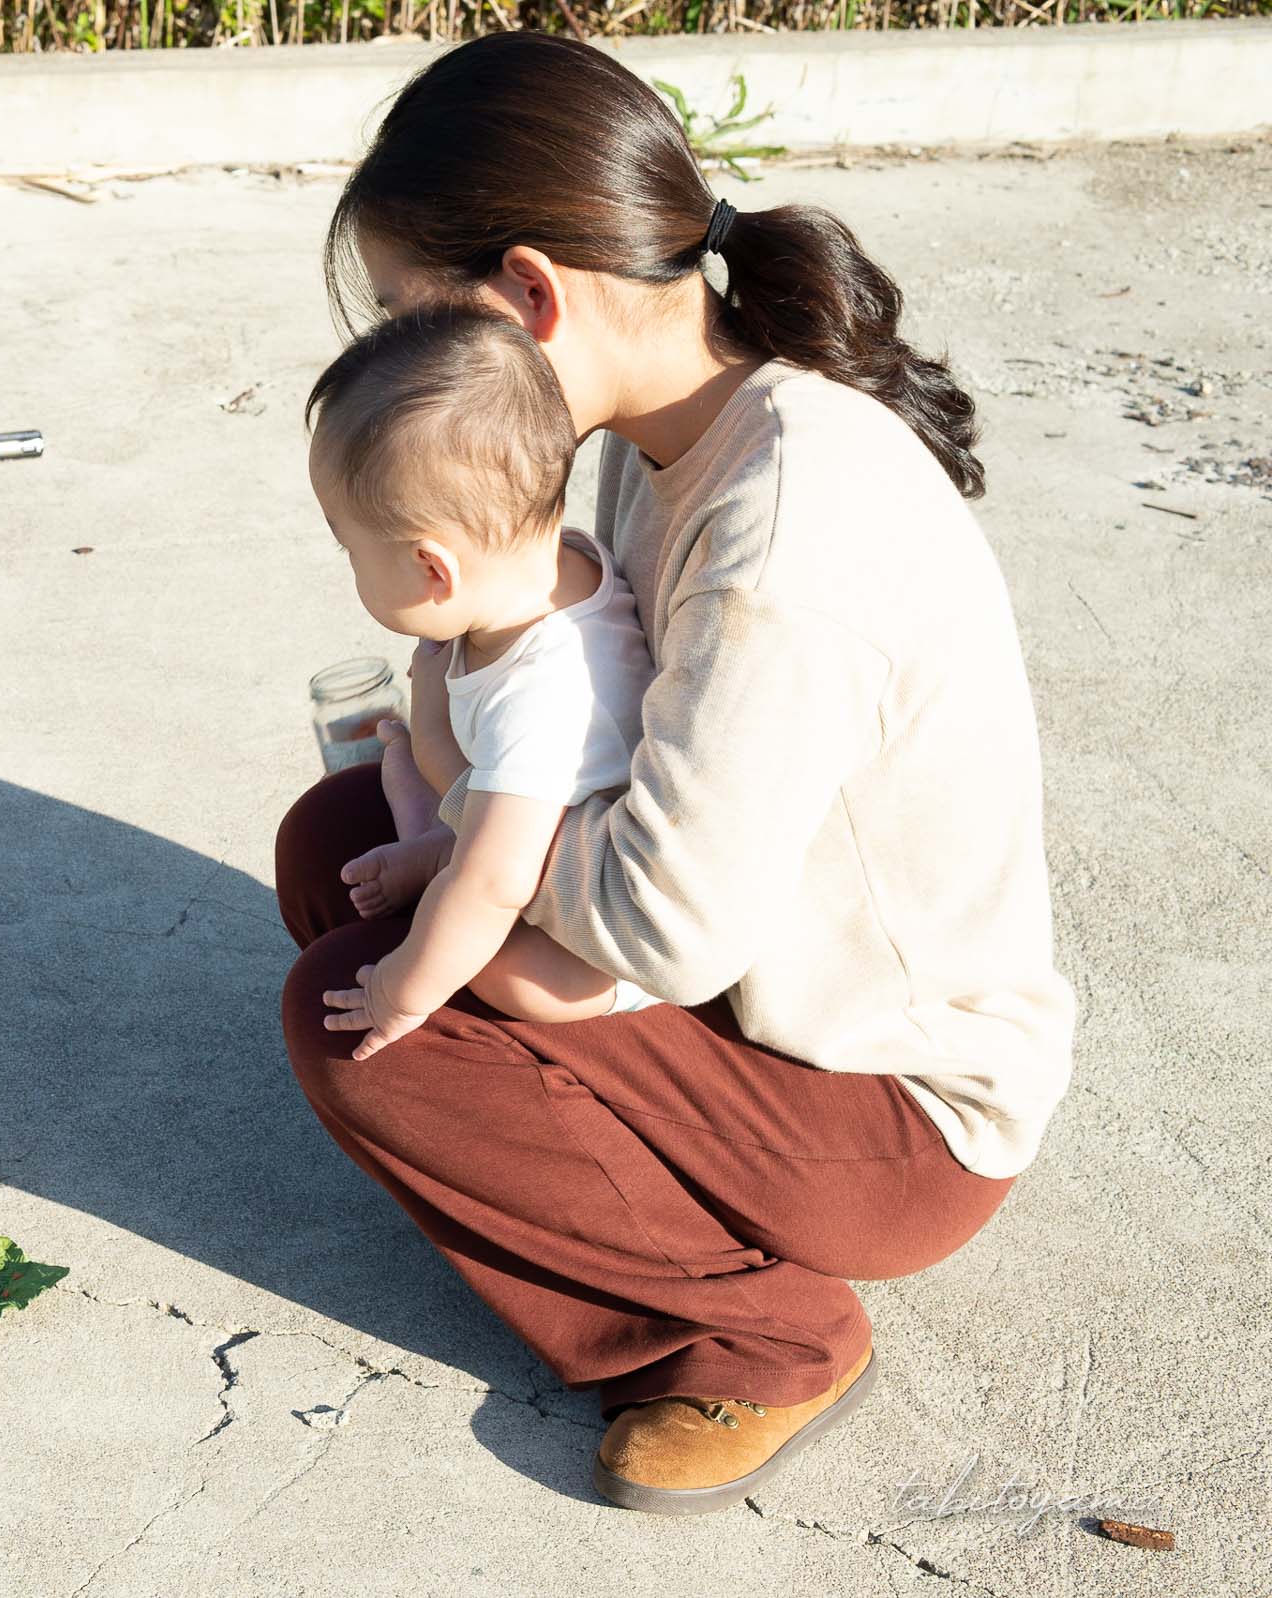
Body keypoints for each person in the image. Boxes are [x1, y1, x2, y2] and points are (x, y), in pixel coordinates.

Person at [276, 31, 1075, 1516]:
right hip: (752, 967)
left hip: (889, 1108)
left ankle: (770, 1333)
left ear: (528, 294)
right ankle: (570, 1160)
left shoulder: (782, 526)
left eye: (402, 315)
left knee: (361, 1020)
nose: (399, 366)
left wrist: (458, 802)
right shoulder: (662, 430)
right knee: (340, 843)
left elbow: (664, 929)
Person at [304, 306, 663, 1038]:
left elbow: (497, 884)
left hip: (595, 928)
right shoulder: (540, 567)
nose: (350, 567)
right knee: (400, 765)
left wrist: (401, 991)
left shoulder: (546, 695)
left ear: (435, 569)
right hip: (526, 824)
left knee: (497, 963)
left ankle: (438, 860)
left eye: (352, 551)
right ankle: (437, 848)